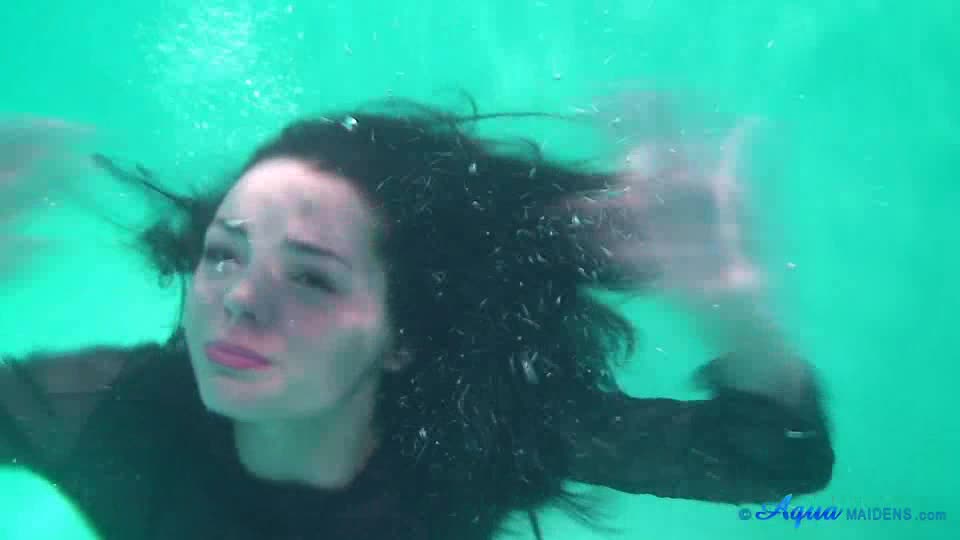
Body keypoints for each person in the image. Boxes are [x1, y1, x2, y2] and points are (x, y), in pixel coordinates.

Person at [0, 98, 834, 540]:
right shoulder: (110, 414)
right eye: (223, 254)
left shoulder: (475, 430)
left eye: (312, 278)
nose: (239, 298)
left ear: (405, 335)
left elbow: (775, 467)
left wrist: (733, 310)